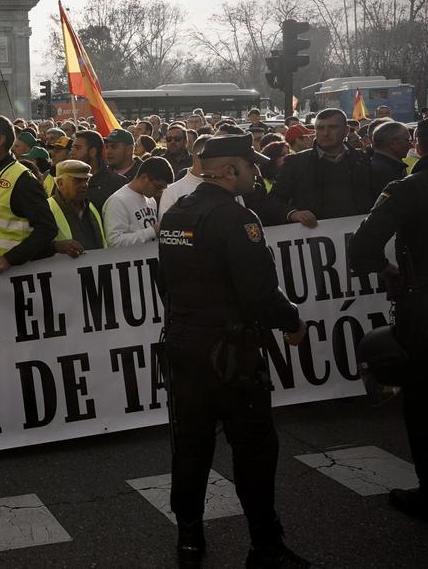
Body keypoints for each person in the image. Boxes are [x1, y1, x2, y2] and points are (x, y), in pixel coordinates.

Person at [157, 134, 310, 568]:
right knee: (254, 448)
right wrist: (293, 322)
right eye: (250, 166)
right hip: (231, 353)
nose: (257, 173)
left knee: (190, 444)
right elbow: (259, 292)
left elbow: (164, 283)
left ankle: (190, 539)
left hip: (184, 346)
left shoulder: (175, 213)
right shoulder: (234, 218)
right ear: (229, 171)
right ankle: (266, 545)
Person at [347, 114, 428, 528]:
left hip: (427, 313)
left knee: (422, 401)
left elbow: (364, 245)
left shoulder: (407, 189)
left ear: (419, 146)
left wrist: (385, 270)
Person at [0, 115, 58, 273]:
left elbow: (47, 228)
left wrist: (10, 259)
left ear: (0, 140)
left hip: (13, 277)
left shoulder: (22, 180)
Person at [271, 109, 373, 220]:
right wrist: (293, 214)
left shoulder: (363, 160)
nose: (325, 133)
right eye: (320, 128)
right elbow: (273, 200)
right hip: (313, 234)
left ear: (346, 130)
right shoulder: (296, 163)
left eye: (333, 127)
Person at [102, 156, 174, 248]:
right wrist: (152, 231)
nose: (159, 192)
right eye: (158, 187)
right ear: (144, 178)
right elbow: (114, 242)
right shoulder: (117, 201)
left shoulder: (151, 200)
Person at [48, 160, 106, 257]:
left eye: (86, 180)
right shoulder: (47, 208)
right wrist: (56, 247)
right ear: (60, 183)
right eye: (78, 180)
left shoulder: (91, 207)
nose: (84, 185)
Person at [70, 130, 128, 212]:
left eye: (78, 148)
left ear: (92, 152)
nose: (72, 152)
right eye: (72, 148)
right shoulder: (66, 180)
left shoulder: (117, 183)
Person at [369, 120, 412, 198]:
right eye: (407, 140)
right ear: (393, 142)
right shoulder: (384, 171)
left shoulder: (378, 165)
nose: (411, 145)